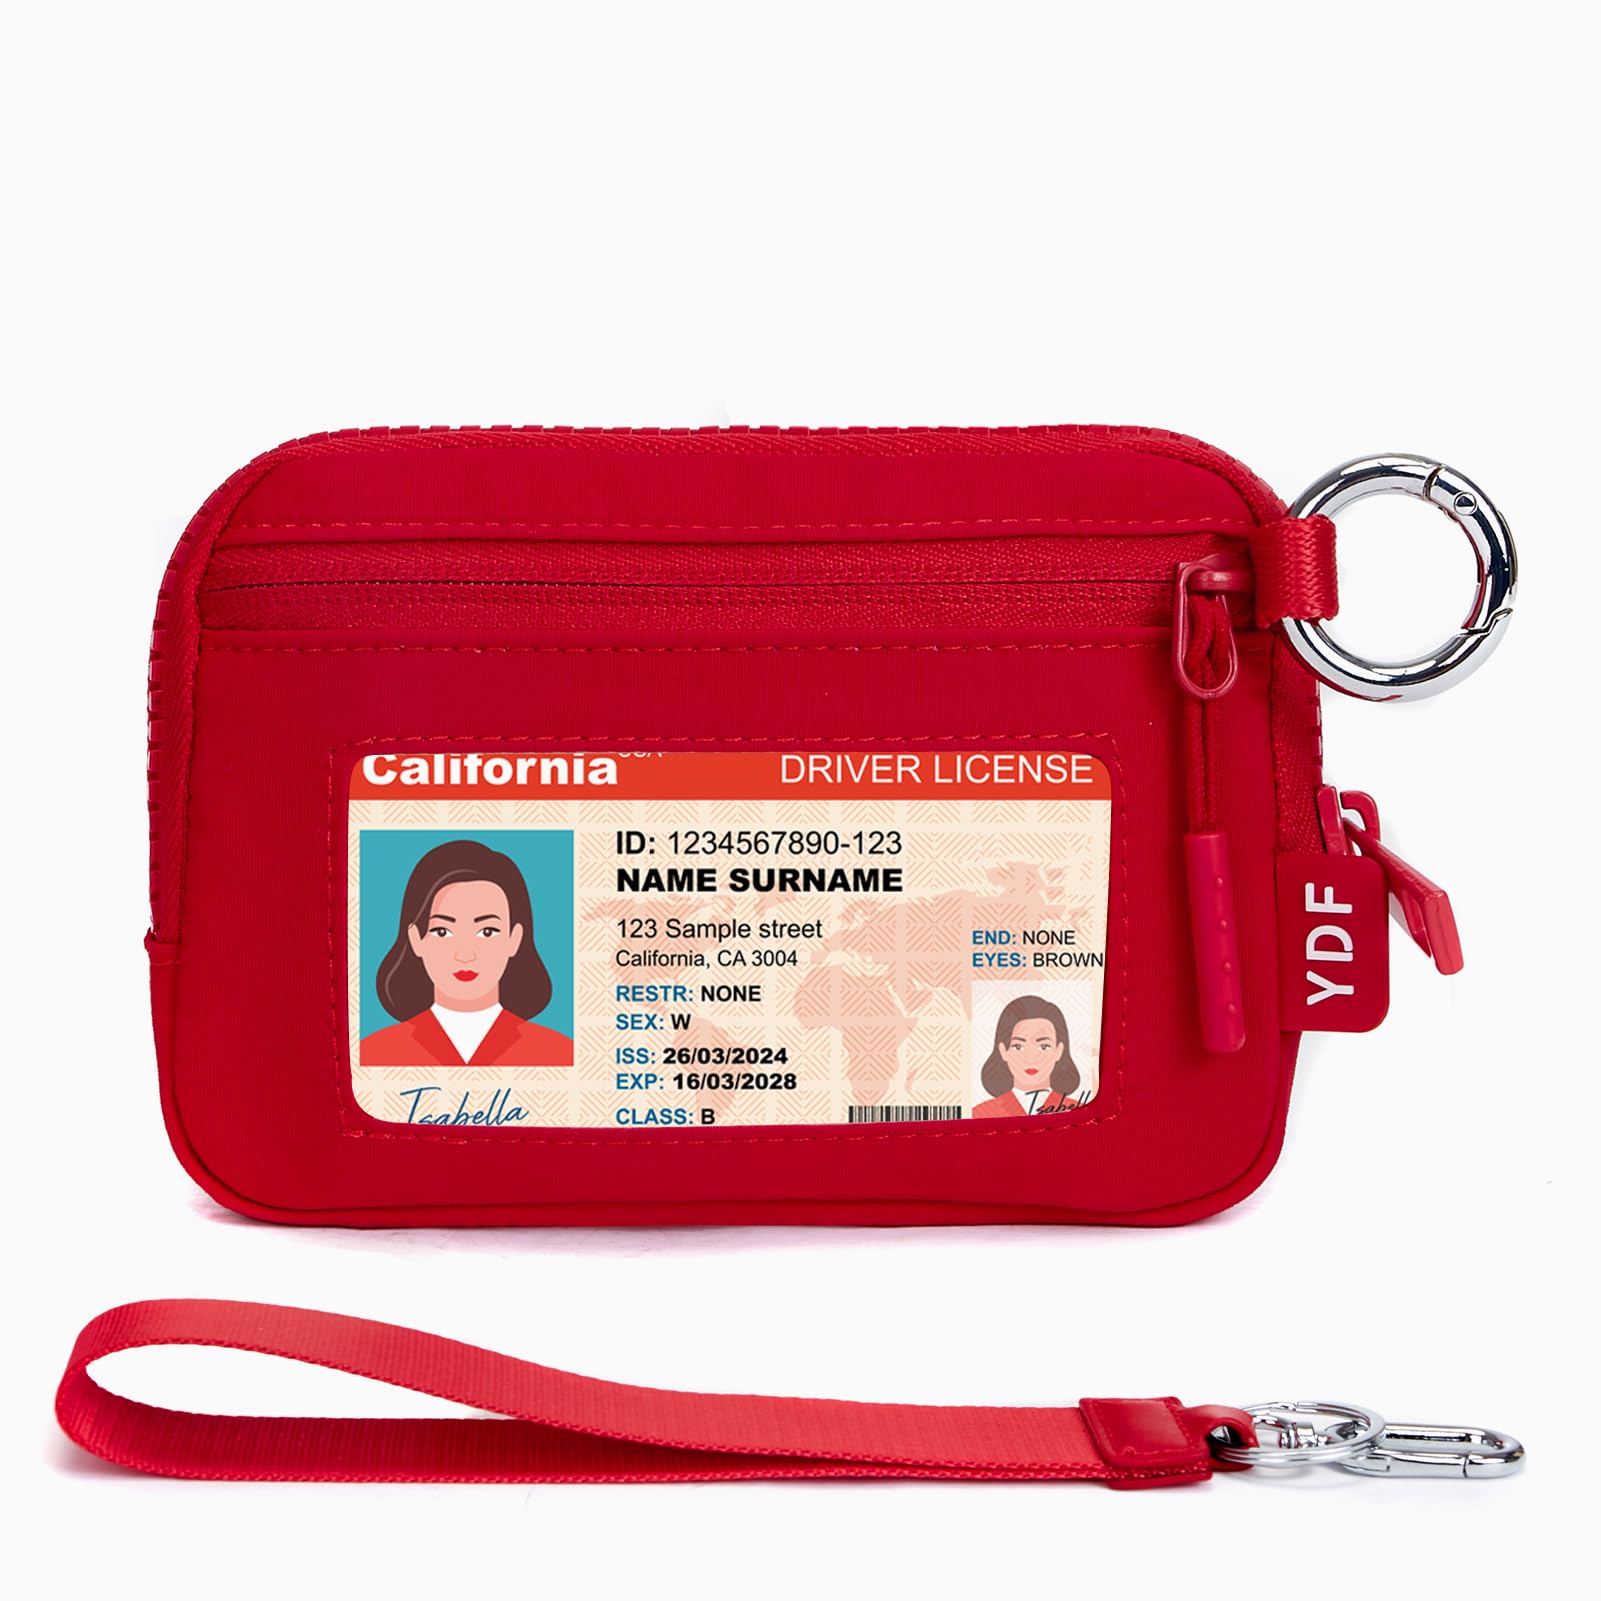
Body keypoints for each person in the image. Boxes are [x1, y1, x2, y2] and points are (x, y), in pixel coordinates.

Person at [360, 839, 573, 1068]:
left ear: (515, 938)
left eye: (487, 932)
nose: (465, 954)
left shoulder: (559, 1052)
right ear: (415, 939)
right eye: (442, 932)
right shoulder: (374, 1052)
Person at [971, 995, 1080, 1118]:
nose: (1030, 1058)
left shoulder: (1079, 1112)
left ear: (1059, 1051)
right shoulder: (980, 1114)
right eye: (1018, 1047)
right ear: (1003, 1051)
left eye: (1043, 1047)